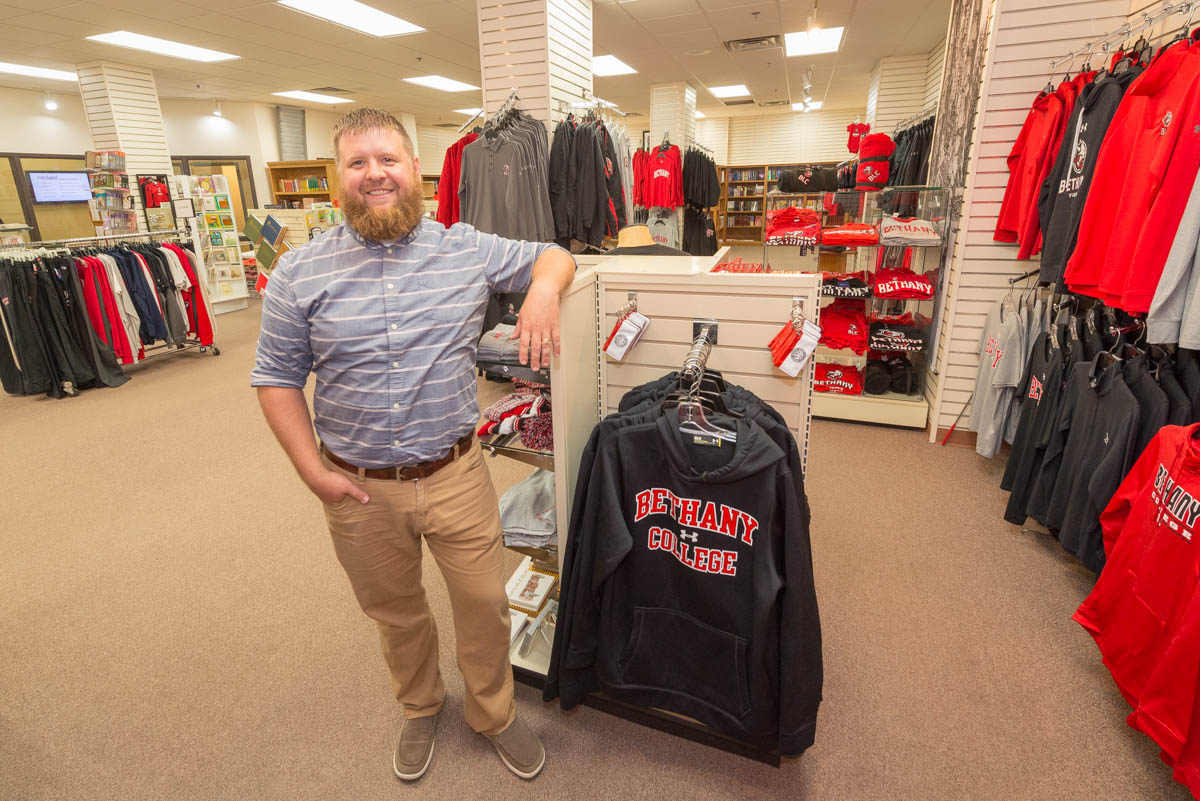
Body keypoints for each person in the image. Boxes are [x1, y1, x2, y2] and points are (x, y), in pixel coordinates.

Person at [251, 107, 575, 781]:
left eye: (388, 160)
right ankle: (421, 704)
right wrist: (312, 471)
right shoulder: (298, 272)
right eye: (358, 163)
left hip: (455, 472)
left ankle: (493, 710)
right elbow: (277, 378)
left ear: (416, 169)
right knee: (395, 611)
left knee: (485, 601)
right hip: (357, 484)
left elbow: (556, 254)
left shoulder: (464, 248)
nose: (375, 175)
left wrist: (543, 292)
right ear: (337, 178)